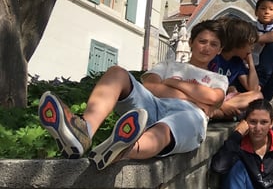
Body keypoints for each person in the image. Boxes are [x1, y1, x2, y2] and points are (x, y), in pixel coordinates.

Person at [39, 20, 227, 170]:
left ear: (219, 50)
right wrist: (194, 96)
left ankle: (124, 150)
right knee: (117, 73)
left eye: (213, 44)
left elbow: (213, 99)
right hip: (153, 104)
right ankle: (82, 131)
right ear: (192, 42)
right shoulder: (168, 65)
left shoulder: (218, 78)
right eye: (202, 41)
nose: (206, 47)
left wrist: (170, 83)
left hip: (190, 115)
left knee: (164, 128)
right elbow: (150, 85)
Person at [210, 17, 263, 120]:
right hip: (208, 99)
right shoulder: (215, 57)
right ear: (240, 42)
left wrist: (250, 63)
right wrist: (222, 106)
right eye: (250, 44)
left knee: (257, 95)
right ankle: (222, 113)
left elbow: (253, 88)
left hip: (222, 102)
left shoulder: (237, 62)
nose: (252, 48)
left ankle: (221, 114)